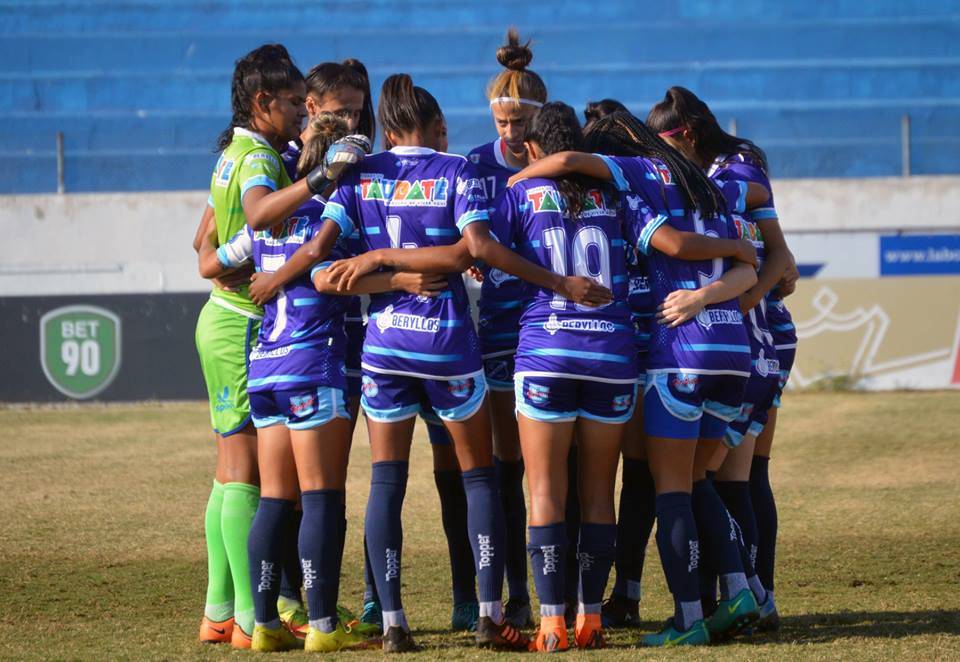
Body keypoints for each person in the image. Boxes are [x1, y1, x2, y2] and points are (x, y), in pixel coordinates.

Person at [508, 111, 766, 646]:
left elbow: (667, 242)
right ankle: (745, 588)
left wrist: (521, 176)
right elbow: (753, 268)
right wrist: (712, 289)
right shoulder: (709, 189)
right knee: (698, 483)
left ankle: (683, 618)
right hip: (732, 354)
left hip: (674, 354)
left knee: (662, 490)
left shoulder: (636, 181)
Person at [316, 73, 535, 653]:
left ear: (386, 129)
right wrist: (403, 263)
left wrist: (381, 267)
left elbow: (322, 269)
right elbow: (471, 250)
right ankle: (489, 613)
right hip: (446, 346)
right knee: (479, 475)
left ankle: (393, 622)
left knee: (386, 482)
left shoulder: (360, 177)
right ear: (432, 123)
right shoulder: (458, 170)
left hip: (385, 346)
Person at [194, 43, 355, 649]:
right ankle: (246, 617)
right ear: (262, 102)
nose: (301, 111)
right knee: (249, 478)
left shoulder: (231, 153)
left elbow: (205, 246)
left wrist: (233, 261)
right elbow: (259, 215)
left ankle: (222, 609)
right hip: (247, 325)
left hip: (231, 320)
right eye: (292, 102)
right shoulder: (263, 158)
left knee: (231, 474)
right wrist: (320, 179)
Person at [647, 87, 798, 629]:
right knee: (733, 477)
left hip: (750, 340)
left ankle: (752, 595)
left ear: (686, 133)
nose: (655, 156)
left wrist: (741, 301)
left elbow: (780, 257)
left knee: (729, 478)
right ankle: (751, 599)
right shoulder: (716, 173)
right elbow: (781, 260)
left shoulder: (734, 171)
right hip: (744, 336)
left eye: (661, 142)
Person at [466, 27, 548, 629]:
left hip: (554, 328)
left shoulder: (561, 167)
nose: (512, 135)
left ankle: (560, 594)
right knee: (506, 467)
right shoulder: (473, 165)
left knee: (553, 469)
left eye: (521, 124)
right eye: (503, 125)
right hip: (496, 328)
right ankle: (511, 592)